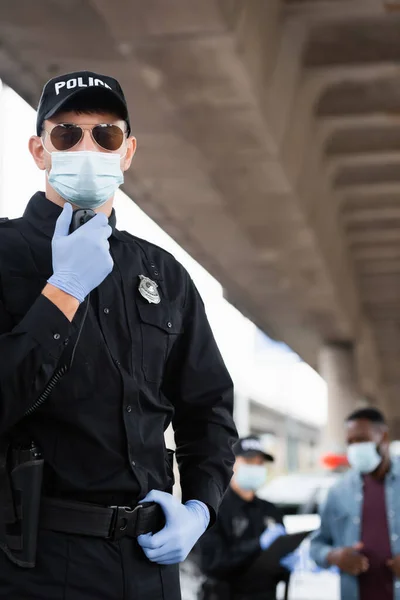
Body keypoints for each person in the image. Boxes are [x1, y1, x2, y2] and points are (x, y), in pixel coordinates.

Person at [0, 70, 237, 599]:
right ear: (39, 150)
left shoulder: (162, 273)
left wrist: (200, 508)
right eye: (67, 135)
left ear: (127, 152)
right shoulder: (5, 255)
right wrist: (61, 293)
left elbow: (209, 409)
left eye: (105, 135)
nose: (87, 147)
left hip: (148, 565)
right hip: (32, 565)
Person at [310, 407, 400, 600]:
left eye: (361, 440)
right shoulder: (338, 491)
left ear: (383, 437)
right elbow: (316, 545)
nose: (355, 448)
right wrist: (333, 556)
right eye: (350, 442)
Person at [199, 436, 296, 600]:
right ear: (232, 464)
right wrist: (258, 544)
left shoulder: (271, 511)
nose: (256, 468)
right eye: (249, 462)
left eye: (259, 463)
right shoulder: (214, 510)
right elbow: (211, 563)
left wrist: (286, 561)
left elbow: (276, 566)